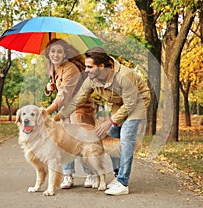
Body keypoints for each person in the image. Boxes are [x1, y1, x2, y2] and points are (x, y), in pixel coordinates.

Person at [53, 46, 150, 195]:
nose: (86, 70)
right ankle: (117, 176)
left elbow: (130, 104)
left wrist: (110, 121)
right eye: (86, 66)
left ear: (102, 66)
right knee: (111, 135)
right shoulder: (92, 78)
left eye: (90, 66)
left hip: (138, 102)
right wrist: (56, 117)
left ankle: (123, 183)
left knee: (126, 136)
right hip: (120, 104)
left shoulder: (124, 75)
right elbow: (77, 100)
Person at [44, 38, 96, 189]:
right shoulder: (54, 68)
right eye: (52, 51)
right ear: (48, 53)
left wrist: (45, 112)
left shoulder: (71, 68)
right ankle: (68, 175)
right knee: (64, 143)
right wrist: (49, 88)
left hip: (79, 110)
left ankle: (90, 174)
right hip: (65, 112)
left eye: (59, 51)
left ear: (65, 53)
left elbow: (63, 96)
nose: (55, 54)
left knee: (82, 143)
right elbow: (57, 92)